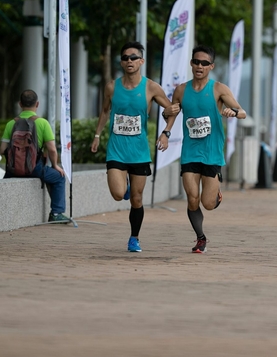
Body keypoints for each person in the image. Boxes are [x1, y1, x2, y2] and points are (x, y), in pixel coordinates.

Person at [91, 41, 178, 252]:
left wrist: (166, 132)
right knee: (118, 194)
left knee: (137, 199)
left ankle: (134, 237)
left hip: (139, 152)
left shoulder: (150, 87)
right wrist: (97, 134)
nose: (129, 61)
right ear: (121, 62)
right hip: (117, 149)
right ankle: (125, 186)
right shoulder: (112, 86)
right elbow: (105, 111)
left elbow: (172, 109)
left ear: (141, 61)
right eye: (125, 58)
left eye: (133, 57)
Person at [170, 45, 246, 254]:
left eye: (204, 63)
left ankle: (216, 195)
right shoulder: (181, 90)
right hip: (190, 152)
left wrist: (232, 112)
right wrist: (165, 129)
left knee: (208, 203)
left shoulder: (219, 89)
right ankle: (200, 238)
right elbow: (171, 113)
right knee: (192, 197)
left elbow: (242, 112)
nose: (199, 66)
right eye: (196, 62)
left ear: (211, 66)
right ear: (191, 63)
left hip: (212, 153)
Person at [0, 89, 67, 223]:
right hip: (34, 170)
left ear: (20, 104)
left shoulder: (11, 123)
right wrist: (55, 165)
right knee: (59, 177)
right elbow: (52, 149)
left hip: (12, 170)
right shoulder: (42, 123)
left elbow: (2, 150)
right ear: (37, 104)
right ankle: (56, 213)